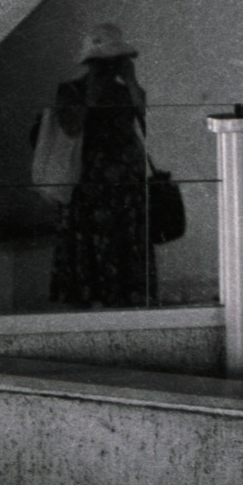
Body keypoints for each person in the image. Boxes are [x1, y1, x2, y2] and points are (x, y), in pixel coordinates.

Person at [49, 23, 156, 307]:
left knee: (126, 244)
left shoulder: (125, 92)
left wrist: (131, 84)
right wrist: (91, 96)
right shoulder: (70, 91)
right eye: (104, 64)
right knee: (90, 246)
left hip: (126, 183)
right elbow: (71, 127)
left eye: (115, 63)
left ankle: (126, 297)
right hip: (89, 184)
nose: (110, 70)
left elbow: (146, 122)